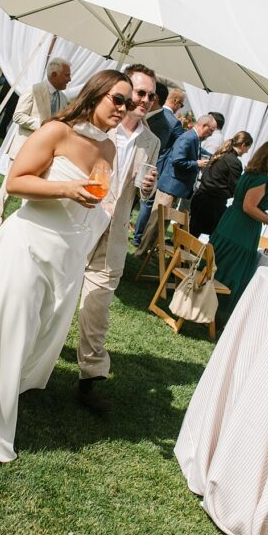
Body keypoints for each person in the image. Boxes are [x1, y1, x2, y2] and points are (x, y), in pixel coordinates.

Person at [0, 69, 133, 474]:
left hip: (67, 255)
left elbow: (96, 196)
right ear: (95, 95)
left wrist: (102, 211)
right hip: (27, 245)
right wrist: (65, 189)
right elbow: (16, 181)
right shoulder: (56, 131)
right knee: (6, 331)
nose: (126, 109)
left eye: (130, 103)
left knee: (33, 332)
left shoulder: (110, 150)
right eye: (119, 99)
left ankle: (0, 387)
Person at [77, 63, 159, 411]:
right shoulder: (98, 126)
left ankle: (88, 382)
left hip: (114, 236)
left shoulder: (152, 141)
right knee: (55, 295)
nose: (144, 100)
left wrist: (148, 190)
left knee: (97, 307)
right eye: (140, 92)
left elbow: (141, 194)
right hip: (79, 223)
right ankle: (32, 363)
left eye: (150, 96)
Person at [0, 57, 71, 228]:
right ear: (54, 74)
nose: (69, 79)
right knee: (9, 185)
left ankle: (23, 223)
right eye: (67, 75)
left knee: (32, 187)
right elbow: (17, 116)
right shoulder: (33, 90)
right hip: (23, 146)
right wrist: (40, 124)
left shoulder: (63, 98)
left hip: (45, 152)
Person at [210, 140, 268, 306]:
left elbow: (247, 204)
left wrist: (264, 216)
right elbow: (249, 207)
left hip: (232, 222)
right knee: (230, 266)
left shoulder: (250, 174)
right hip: (242, 229)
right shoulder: (260, 179)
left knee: (219, 261)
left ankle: (203, 300)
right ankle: (216, 309)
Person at [135, 115, 217, 256]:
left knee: (163, 223)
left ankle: (150, 251)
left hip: (175, 188)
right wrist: (196, 164)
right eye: (211, 131)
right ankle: (141, 251)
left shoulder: (194, 139)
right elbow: (177, 161)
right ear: (204, 126)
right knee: (156, 222)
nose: (210, 135)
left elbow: (193, 154)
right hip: (170, 187)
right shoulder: (188, 138)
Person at [132, 84, 185, 246]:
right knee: (145, 204)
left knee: (141, 202)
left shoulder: (164, 122)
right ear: (175, 101)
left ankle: (137, 236)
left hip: (146, 171)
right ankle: (137, 236)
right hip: (150, 168)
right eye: (181, 105)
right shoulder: (173, 122)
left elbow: (157, 148)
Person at [189, 131, 254, 238]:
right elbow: (235, 188)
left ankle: (179, 252)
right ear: (243, 145)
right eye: (247, 148)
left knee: (191, 233)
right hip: (212, 205)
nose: (247, 152)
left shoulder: (220, 154)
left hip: (199, 198)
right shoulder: (234, 162)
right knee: (218, 235)